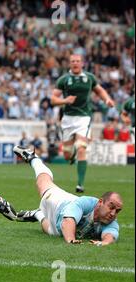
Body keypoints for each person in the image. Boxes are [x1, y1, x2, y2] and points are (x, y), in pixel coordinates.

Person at [13, 145, 123, 246]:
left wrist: (104, 243)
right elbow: (68, 221)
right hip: (58, 202)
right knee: (43, 182)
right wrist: (71, 240)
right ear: (100, 202)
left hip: (59, 228)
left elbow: (110, 236)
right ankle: (33, 158)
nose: (113, 213)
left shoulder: (111, 221)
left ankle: (37, 214)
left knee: (51, 231)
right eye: (111, 206)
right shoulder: (86, 203)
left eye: (117, 211)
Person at [51, 54, 115, 193]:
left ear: (82, 63)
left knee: (81, 147)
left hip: (83, 118)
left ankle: (80, 184)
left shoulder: (90, 78)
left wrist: (107, 100)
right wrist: (65, 101)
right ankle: (71, 154)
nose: (75, 63)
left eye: (78, 61)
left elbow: (100, 90)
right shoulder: (63, 79)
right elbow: (53, 99)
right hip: (68, 118)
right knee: (67, 155)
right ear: (69, 64)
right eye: (73, 61)